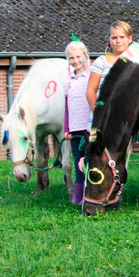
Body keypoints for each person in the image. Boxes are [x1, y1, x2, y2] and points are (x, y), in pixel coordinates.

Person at [63, 40, 92, 205]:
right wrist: (67, 128)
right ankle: (78, 196)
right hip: (74, 128)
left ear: (85, 56)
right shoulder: (68, 80)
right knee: (78, 162)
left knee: (90, 161)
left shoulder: (91, 76)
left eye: (78, 57)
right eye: (71, 58)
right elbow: (67, 107)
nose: (75, 61)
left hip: (88, 127)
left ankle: (90, 194)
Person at [86, 21, 133, 111]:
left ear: (130, 38)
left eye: (122, 37)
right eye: (114, 38)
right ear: (109, 40)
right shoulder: (101, 62)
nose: (118, 41)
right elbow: (90, 90)